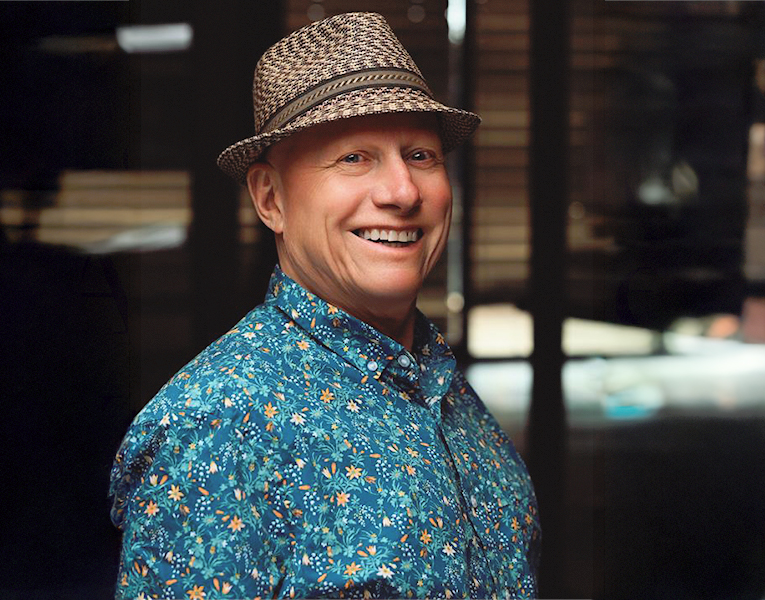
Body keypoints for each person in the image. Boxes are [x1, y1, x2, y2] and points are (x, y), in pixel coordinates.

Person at [110, 12, 540, 599]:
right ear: (271, 199)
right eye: (354, 158)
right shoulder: (218, 424)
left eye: (420, 155)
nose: (403, 192)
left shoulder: (438, 384)